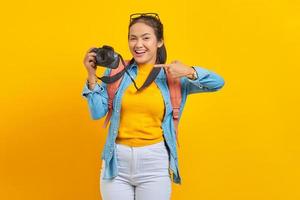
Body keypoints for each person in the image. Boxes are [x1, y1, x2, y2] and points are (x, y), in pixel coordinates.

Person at [82, 13, 225, 200]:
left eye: (146, 38)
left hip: (154, 163)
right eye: (133, 38)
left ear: (159, 42)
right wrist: (92, 76)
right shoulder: (116, 72)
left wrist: (190, 71)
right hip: (116, 162)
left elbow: (218, 83)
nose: (138, 45)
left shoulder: (172, 75)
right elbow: (97, 112)